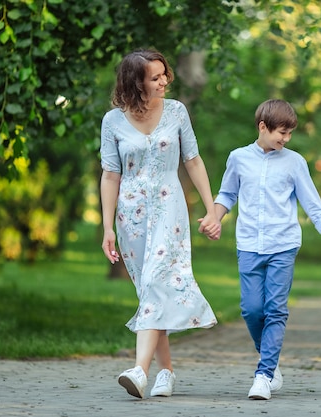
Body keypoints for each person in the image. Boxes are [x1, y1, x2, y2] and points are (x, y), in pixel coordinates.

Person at [202, 99, 321, 400]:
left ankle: (264, 374)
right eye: (281, 133)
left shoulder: (294, 162)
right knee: (251, 309)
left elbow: (313, 204)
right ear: (262, 127)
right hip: (248, 244)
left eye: (289, 134)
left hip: (283, 244)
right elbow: (227, 194)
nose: (285, 139)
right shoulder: (238, 158)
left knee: (275, 309)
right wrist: (213, 218)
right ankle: (269, 360)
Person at [99, 49, 221, 400]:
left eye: (164, 74)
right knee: (152, 292)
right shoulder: (113, 122)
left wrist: (212, 210)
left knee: (155, 281)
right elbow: (110, 175)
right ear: (135, 83)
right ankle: (166, 372)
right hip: (130, 216)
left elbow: (193, 161)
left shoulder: (177, 112)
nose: (164, 80)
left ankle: (140, 370)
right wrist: (108, 227)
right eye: (155, 77)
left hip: (170, 208)